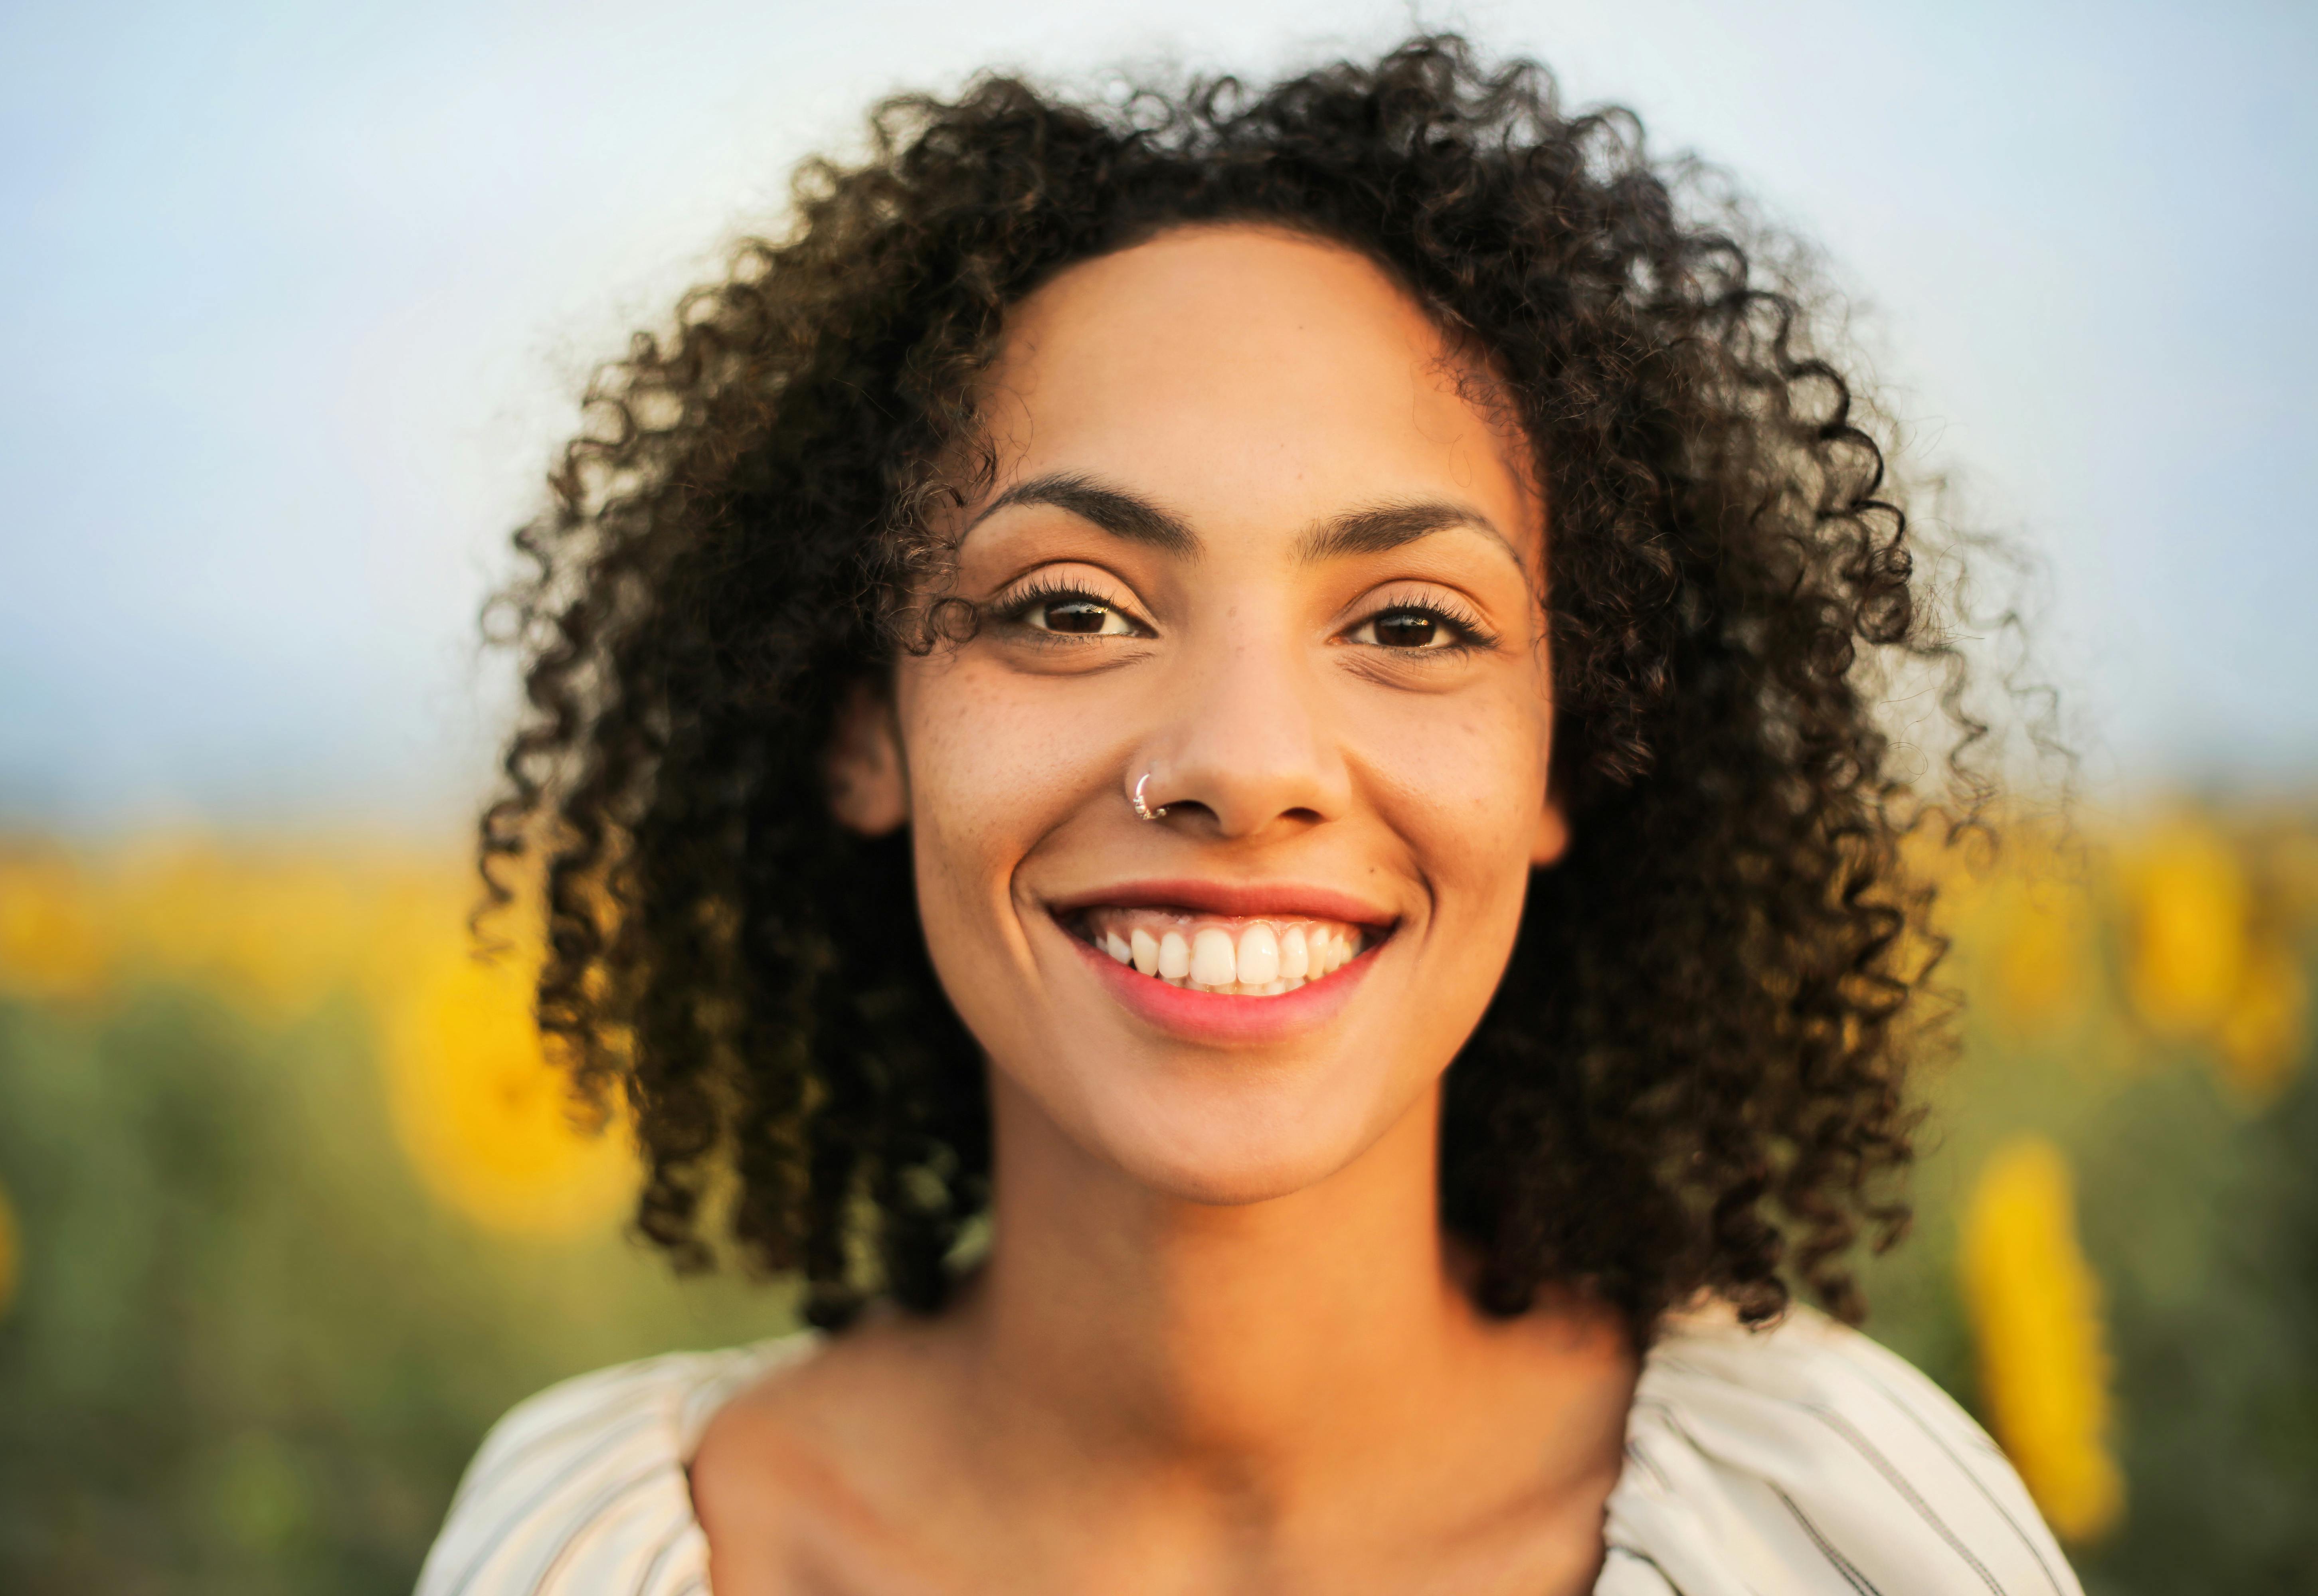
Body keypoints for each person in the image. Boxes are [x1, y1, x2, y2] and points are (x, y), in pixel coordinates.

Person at [417, 36, 2077, 1596]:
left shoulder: (1828, 1528)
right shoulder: (602, 1548)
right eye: (1072, 609)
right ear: (867, 729)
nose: (1246, 760)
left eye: (1412, 622)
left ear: (1564, 760)